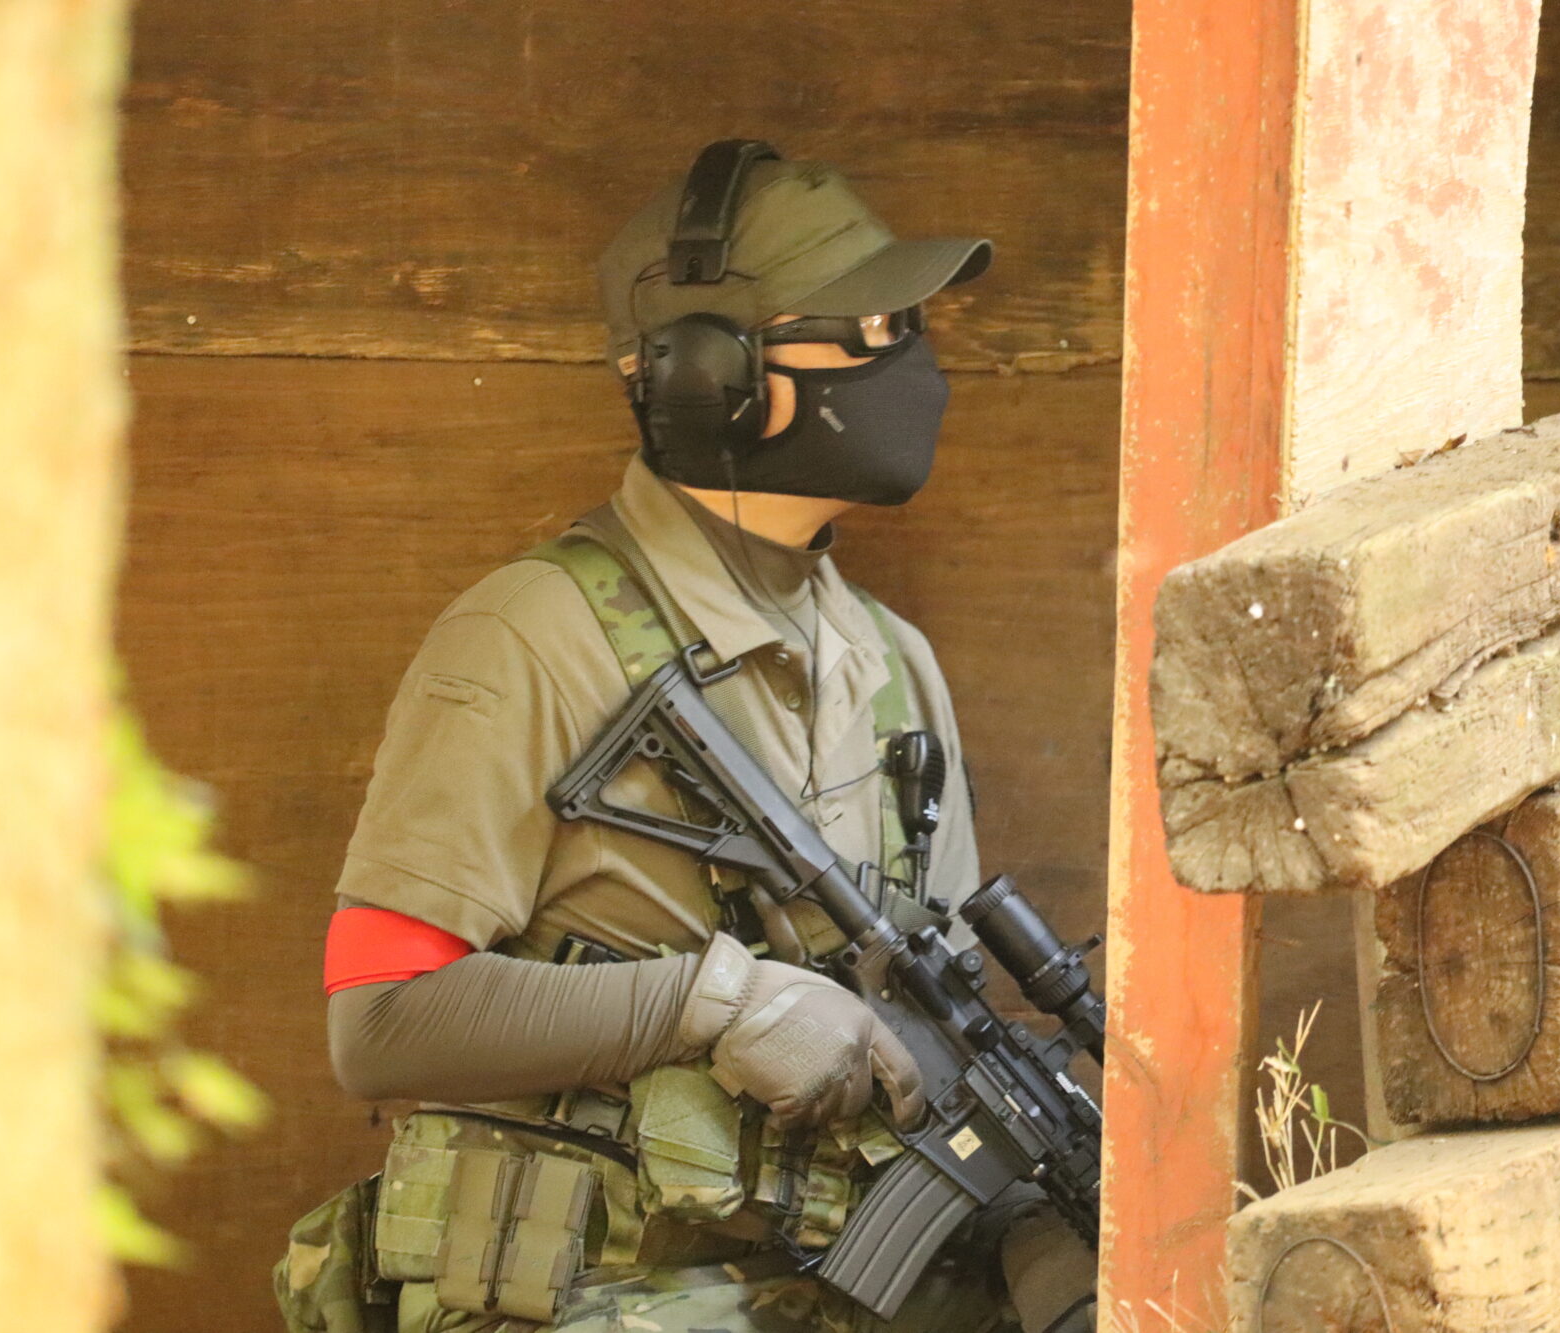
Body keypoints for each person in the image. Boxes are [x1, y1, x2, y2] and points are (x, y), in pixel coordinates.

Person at [277, 142, 1097, 1333]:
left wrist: (1051, 1255)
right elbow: (381, 1017)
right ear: (716, 378)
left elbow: (943, 1052)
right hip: (604, 1292)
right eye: (869, 330)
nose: (910, 365)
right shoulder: (531, 635)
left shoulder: (891, 666)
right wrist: (714, 1001)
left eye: (909, 327)